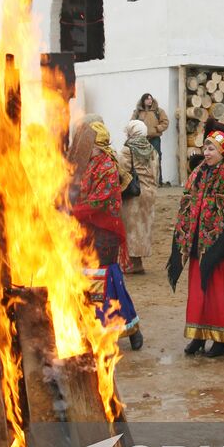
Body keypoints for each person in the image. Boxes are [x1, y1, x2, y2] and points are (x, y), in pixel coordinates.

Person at [168, 130, 224, 358]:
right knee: (201, 291)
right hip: (200, 242)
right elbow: (188, 202)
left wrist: (216, 234)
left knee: (222, 293)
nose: (206, 153)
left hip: (223, 244)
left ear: (223, 151)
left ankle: (222, 338)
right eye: (205, 149)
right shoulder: (199, 172)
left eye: (211, 149)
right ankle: (199, 334)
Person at [69, 119, 143, 349]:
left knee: (108, 282)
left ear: (98, 145)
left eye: (88, 145)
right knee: (88, 281)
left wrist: (72, 211)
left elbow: (98, 202)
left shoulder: (108, 167)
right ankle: (95, 328)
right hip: (86, 231)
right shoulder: (88, 165)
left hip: (105, 234)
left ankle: (130, 327)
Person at [118, 119, 159, 274]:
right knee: (143, 228)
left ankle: (133, 263)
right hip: (149, 193)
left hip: (134, 194)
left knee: (131, 229)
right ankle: (138, 261)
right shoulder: (152, 149)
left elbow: (122, 170)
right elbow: (156, 172)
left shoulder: (128, 149)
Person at [132, 93, 169, 184]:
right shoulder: (137, 112)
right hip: (142, 140)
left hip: (154, 139)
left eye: (150, 99)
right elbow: (132, 123)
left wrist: (157, 128)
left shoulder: (158, 111)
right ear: (143, 101)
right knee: (142, 160)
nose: (149, 100)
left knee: (156, 159)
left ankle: (158, 181)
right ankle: (144, 181)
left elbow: (165, 122)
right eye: (147, 99)